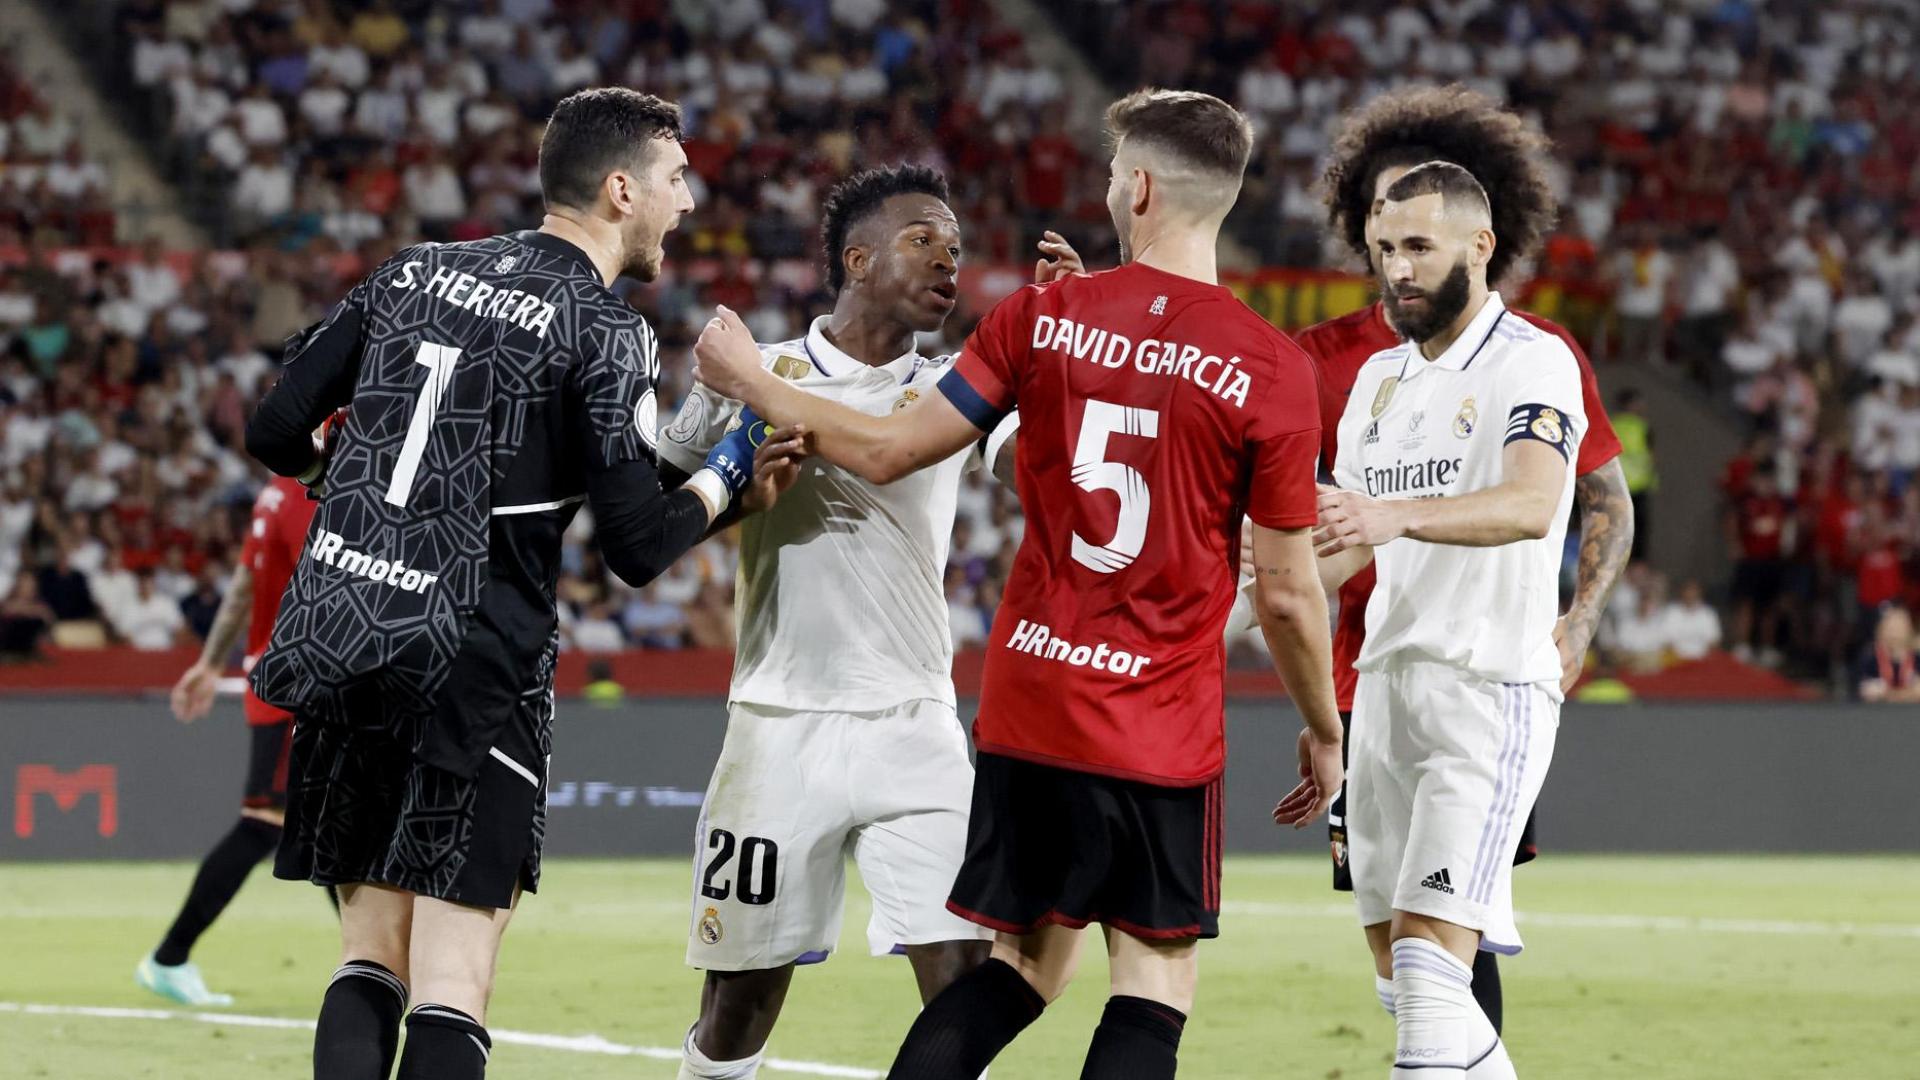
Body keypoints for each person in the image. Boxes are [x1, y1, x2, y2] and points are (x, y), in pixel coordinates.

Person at [692, 88, 1344, 1080]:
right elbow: (1292, 597)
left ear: (1137, 185)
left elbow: (894, 449)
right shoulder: (1271, 365)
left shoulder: (1042, 318)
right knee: (1151, 983)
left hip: (1028, 703)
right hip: (1154, 717)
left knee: (1011, 972)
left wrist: (750, 379)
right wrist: (1326, 728)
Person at [242, 88, 805, 1080]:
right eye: (676, 180)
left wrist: (359, 499)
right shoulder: (600, 326)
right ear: (621, 187)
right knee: (453, 983)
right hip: (473, 662)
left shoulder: (412, 269)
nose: (687, 201)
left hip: (350, 634)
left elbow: (273, 428)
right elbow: (634, 544)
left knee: (369, 958)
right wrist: (729, 482)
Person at [654, 164, 1016, 1080]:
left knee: (967, 972)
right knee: (742, 998)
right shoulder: (755, 373)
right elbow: (652, 518)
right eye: (923, 239)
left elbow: (1036, 458)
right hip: (779, 726)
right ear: (857, 259)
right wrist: (739, 501)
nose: (949, 259)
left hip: (914, 722)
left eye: (957, 247)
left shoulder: (955, 390)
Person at [1291, 83, 1632, 1037]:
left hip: (1483, 686)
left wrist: (1580, 620)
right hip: (1369, 694)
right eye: (1383, 240)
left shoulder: (1536, 355)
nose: (1397, 262)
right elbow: (1331, 548)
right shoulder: (1358, 374)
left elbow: (1557, 501)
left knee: (1440, 972)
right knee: (1404, 982)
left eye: (1418, 239)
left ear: (1482, 238)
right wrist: (1251, 612)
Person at [137, 473, 320, 1007]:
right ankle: (169, 956)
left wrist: (211, 662)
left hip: (279, 678)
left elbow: (245, 584)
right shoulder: (309, 495)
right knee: (265, 823)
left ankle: (381, 969)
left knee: (323, 827)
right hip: (297, 682)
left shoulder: (275, 494)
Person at [1858, 603, 1920, 703]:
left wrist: (1889, 693)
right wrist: (1908, 693)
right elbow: (1867, 691)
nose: (1895, 630)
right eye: (1891, 624)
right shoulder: (1871, 659)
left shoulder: (1917, 659)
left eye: (1899, 624)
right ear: (1881, 628)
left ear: (1909, 627)